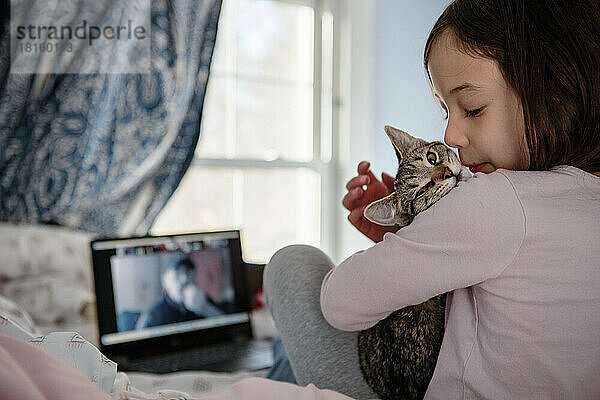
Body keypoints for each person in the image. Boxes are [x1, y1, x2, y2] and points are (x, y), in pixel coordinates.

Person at [262, 0, 600, 399]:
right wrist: (416, 233)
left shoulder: (495, 201)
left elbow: (340, 304)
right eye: (445, 110)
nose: (452, 135)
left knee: (292, 264)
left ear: (556, 92)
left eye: (472, 108)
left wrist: (413, 236)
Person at [136, 254, 226, 329]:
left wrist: (205, 309)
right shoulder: (154, 315)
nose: (185, 279)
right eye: (178, 273)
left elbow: (229, 326)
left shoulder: (202, 300)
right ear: (165, 280)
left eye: (188, 272)